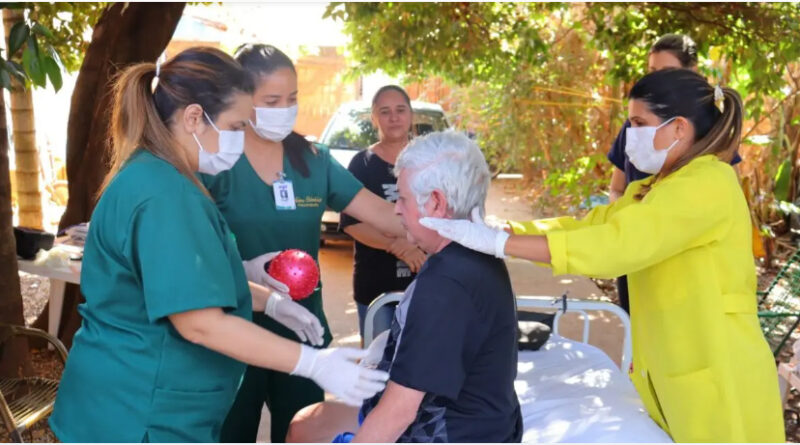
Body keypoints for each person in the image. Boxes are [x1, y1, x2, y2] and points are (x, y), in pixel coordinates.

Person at [422, 69, 784, 442]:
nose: (630, 134)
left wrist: (500, 246)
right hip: (682, 375)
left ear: (679, 128)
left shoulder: (708, 184)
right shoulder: (654, 187)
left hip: (720, 376)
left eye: (639, 123)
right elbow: (589, 228)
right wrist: (505, 232)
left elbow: (616, 245)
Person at [49, 47, 388, 443]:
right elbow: (199, 322)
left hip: (138, 404)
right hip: (138, 413)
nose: (242, 139)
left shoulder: (161, 177)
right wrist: (312, 363)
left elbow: (183, 283)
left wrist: (270, 301)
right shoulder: (164, 194)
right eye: (236, 125)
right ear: (194, 117)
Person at [199, 44, 406, 443]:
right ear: (243, 101)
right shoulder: (217, 161)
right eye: (272, 100)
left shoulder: (312, 159)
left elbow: (384, 214)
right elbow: (192, 249)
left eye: (292, 99)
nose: (285, 109)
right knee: (231, 432)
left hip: (303, 327)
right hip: (233, 325)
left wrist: (446, 225)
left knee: (305, 429)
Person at [286, 131, 522, 443]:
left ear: (436, 202)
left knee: (306, 429)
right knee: (306, 423)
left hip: (453, 432)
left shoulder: (445, 285)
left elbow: (399, 412)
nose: (396, 209)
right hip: (487, 423)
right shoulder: (476, 253)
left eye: (403, 199)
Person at [608, 33, 741, 313]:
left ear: (691, 73)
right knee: (640, 331)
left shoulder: (711, 138)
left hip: (682, 266)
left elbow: (728, 201)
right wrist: (623, 227)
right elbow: (618, 188)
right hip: (635, 250)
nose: (656, 81)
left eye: (666, 71)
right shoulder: (637, 129)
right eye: (651, 72)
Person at [340, 85, 426, 338]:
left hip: (426, 286)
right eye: (385, 111)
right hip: (375, 288)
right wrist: (398, 245)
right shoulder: (362, 163)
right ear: (374, 118)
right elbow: (352, 223)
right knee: (377, 367)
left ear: (411, 115)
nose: (394, 117)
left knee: (423, 365)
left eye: (400, 110)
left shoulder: (431, 161)